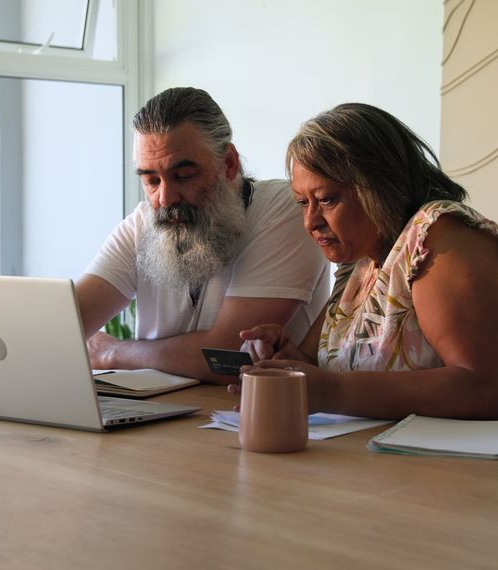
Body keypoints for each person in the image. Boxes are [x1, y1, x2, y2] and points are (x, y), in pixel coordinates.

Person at [239, 103, 498, 432]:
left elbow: (483, 389)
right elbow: (319, 367)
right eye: (302, 203)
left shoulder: (442, 236)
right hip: (397, 460)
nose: (311, 221)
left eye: (327, 199)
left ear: (378, 185)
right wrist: (287, 359)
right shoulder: (360, 262)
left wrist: (330, 391)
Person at [76, 87, 330, 383]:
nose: (165, 198)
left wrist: (113, 353)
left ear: (229, 164)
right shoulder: (143, 222)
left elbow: (226, 355)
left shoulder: (286, 210)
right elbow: (67, 324)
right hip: (160, 418)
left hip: (246, 416)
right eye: (151, 180)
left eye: (183, 176)